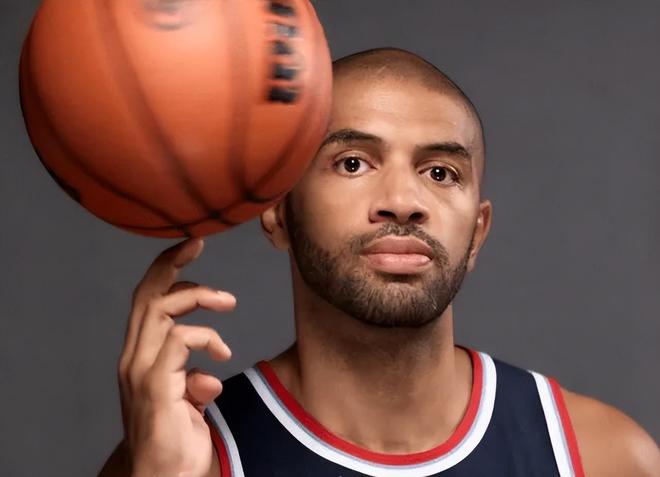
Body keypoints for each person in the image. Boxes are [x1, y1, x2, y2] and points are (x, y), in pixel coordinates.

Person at [98, 48, 659, 477]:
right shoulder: (183, 457)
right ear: (279, 212)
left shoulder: (602, 458)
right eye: (352, 163)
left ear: (477, 232)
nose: (404, 201)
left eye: (440, 172)